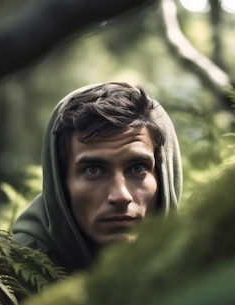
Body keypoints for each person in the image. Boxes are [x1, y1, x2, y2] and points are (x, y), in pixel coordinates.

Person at [11, 82, 183, 274]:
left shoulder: (202, 258)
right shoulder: (5, 272)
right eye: (94, 170)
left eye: (138, 168)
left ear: (163, 176)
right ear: (60, 183)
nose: (120, 196)